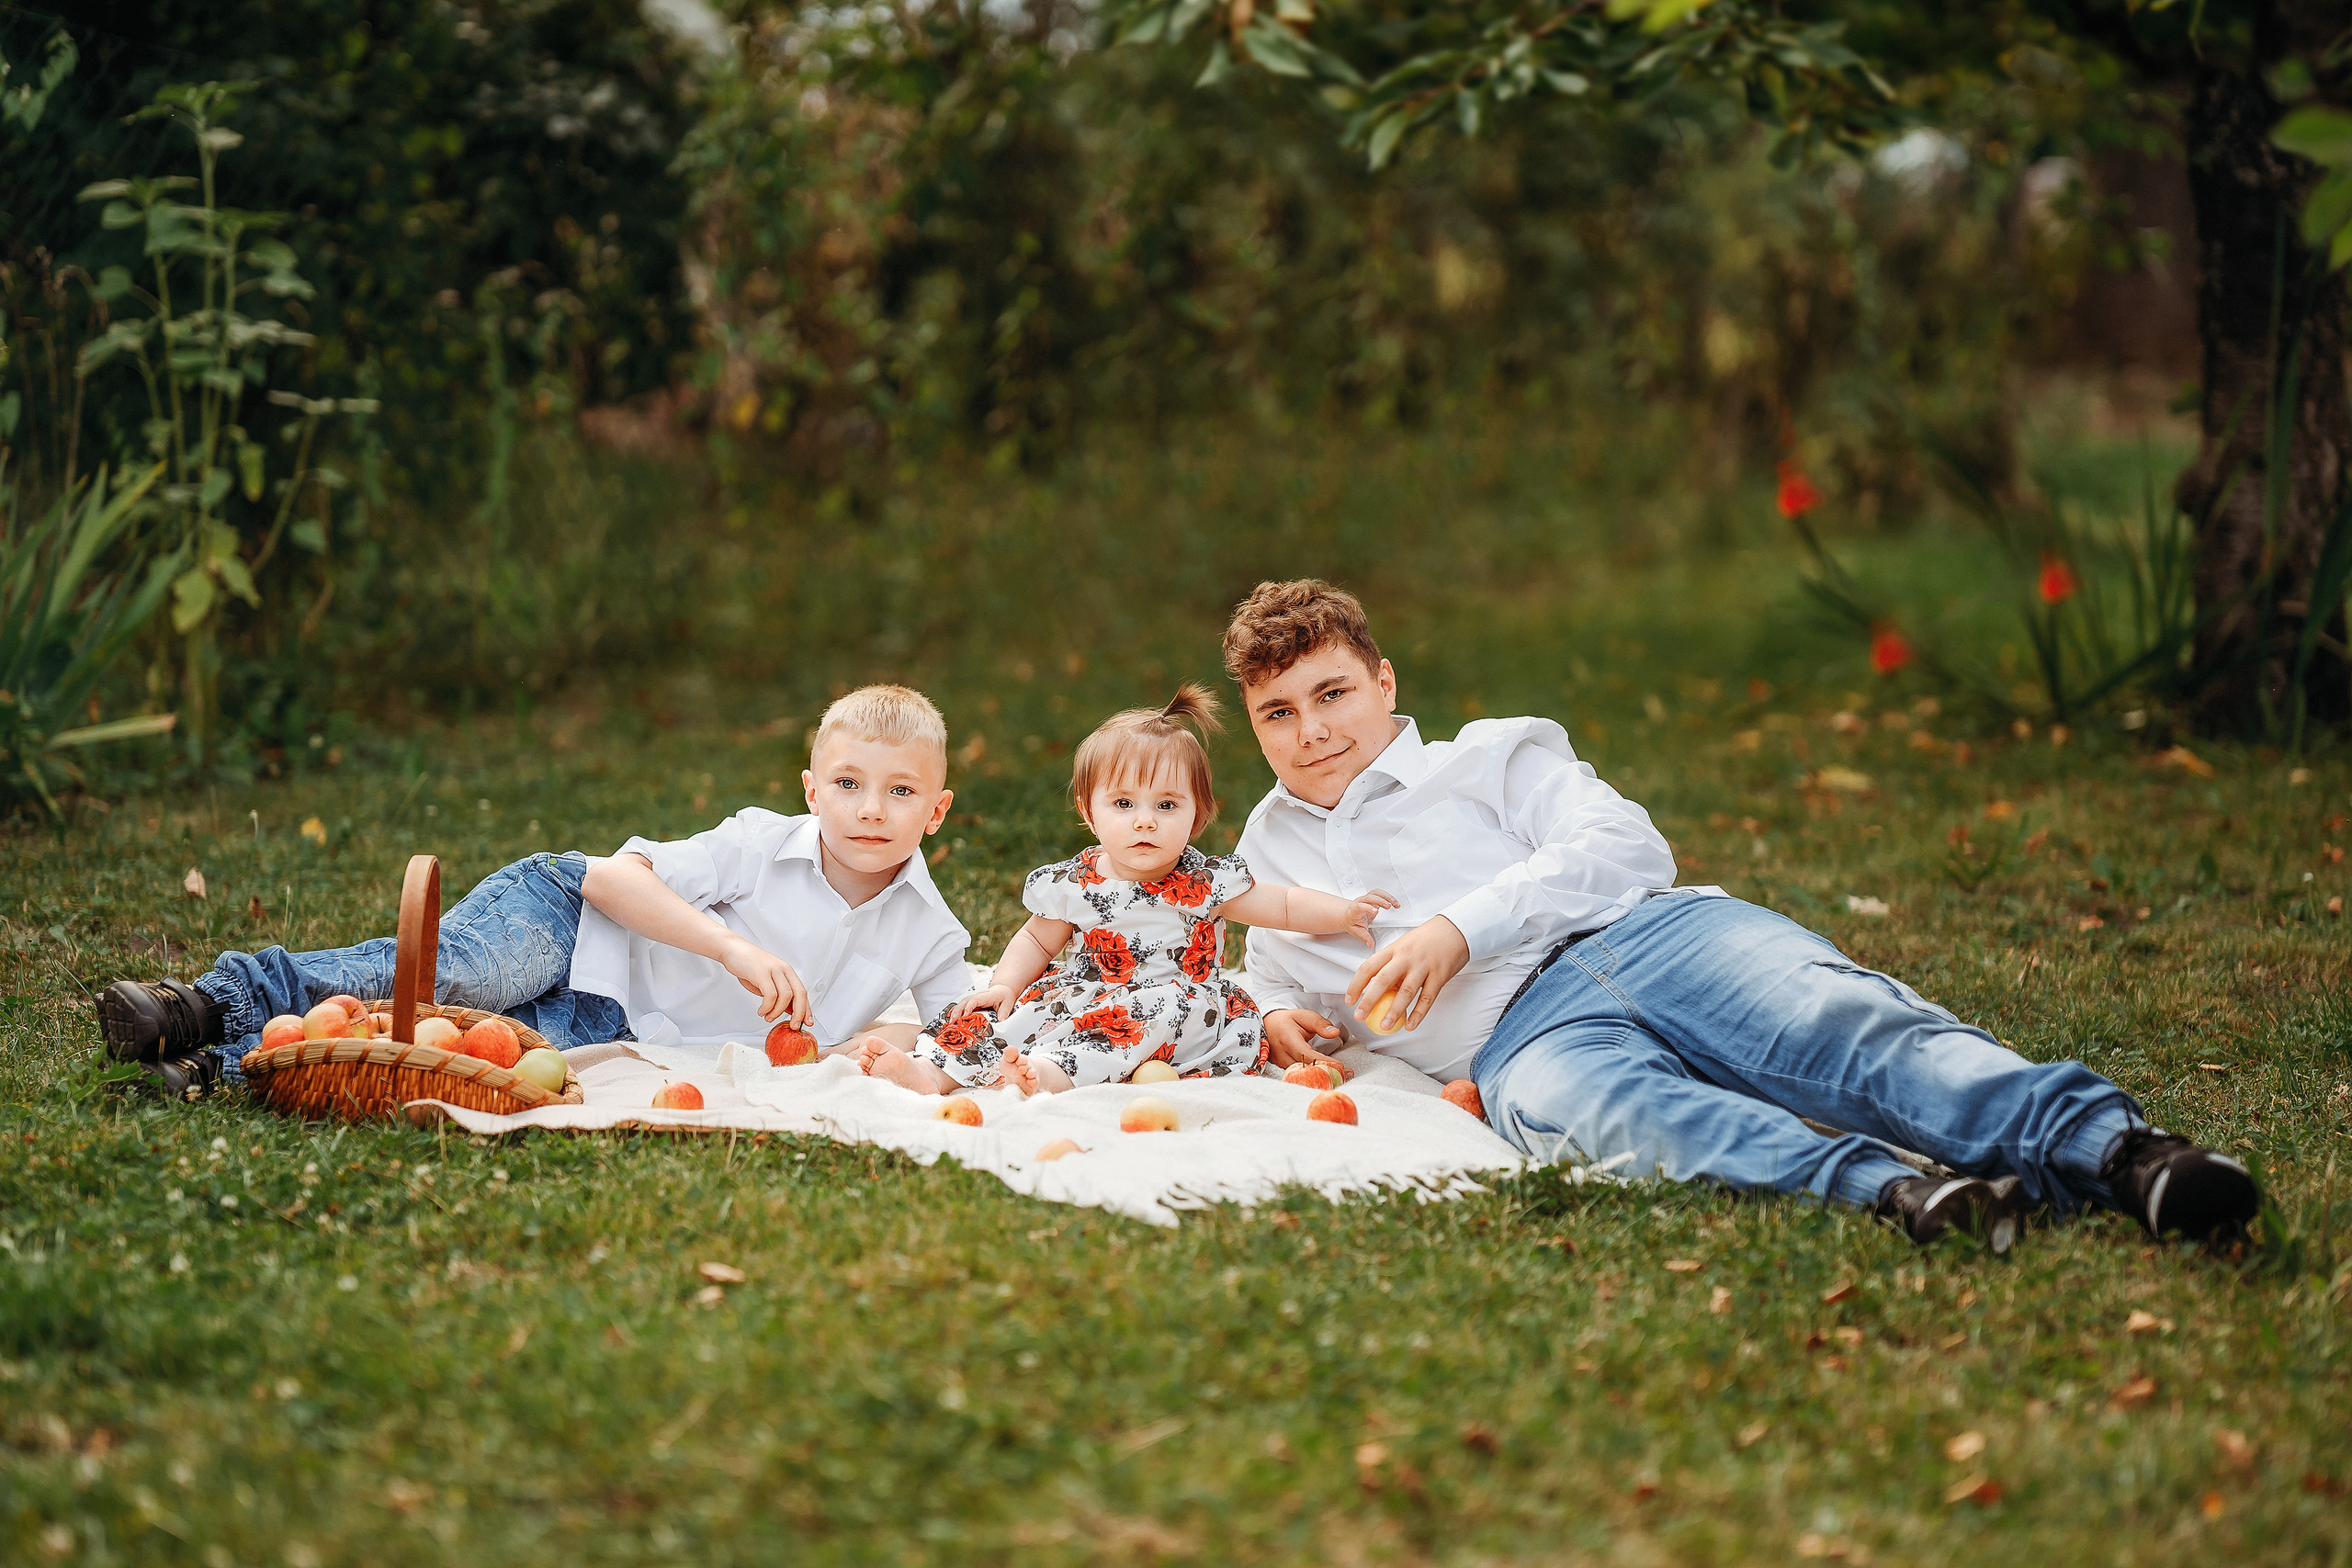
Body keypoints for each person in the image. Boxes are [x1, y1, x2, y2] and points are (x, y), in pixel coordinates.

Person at [1224, 579, 2262, 1252]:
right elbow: (1262, 977)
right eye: (1279, 712)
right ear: (1256, 728)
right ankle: (1894, 1196)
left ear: (1383, 680)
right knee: (1619, 1123)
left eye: (1332, 694)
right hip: (1519, 1043)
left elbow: (1623, 846)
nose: (1312, 731)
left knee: (1835, 1026)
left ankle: (2121, 1155)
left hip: (1655, 938)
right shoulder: (1260, 862)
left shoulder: (1489, 757)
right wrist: (1271, 1015)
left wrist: (1461, 930)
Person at [96, 685, 970, 1094]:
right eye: (849, 784)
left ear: (936, 811)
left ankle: (224, 1068)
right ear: (813, 790)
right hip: (566, 918)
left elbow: (969, 1020)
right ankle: (203, 1002)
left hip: (610, 1025)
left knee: (452, 1051)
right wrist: (732, 946)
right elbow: (614, 878)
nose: (871, 810)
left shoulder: (929, 930)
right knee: (451, 982)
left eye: (900, 792)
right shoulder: (757, 840)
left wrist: (896, 1050)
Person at [854, 685, 1393, 1097]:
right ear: (1090, 813)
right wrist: (1004, 984)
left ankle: (1047, 1076)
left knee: (1145, 1015)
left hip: (1175, 1008)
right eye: (1124, 805)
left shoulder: (1204, 883)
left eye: (1166, 805)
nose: (1145, 823)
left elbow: (1284, 904)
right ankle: (931, 1073)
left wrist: (1342, 912)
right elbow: (1037, 943)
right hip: (1088, 995)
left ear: (1197, 814)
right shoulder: (1077, 883)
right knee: (1004, 1015)